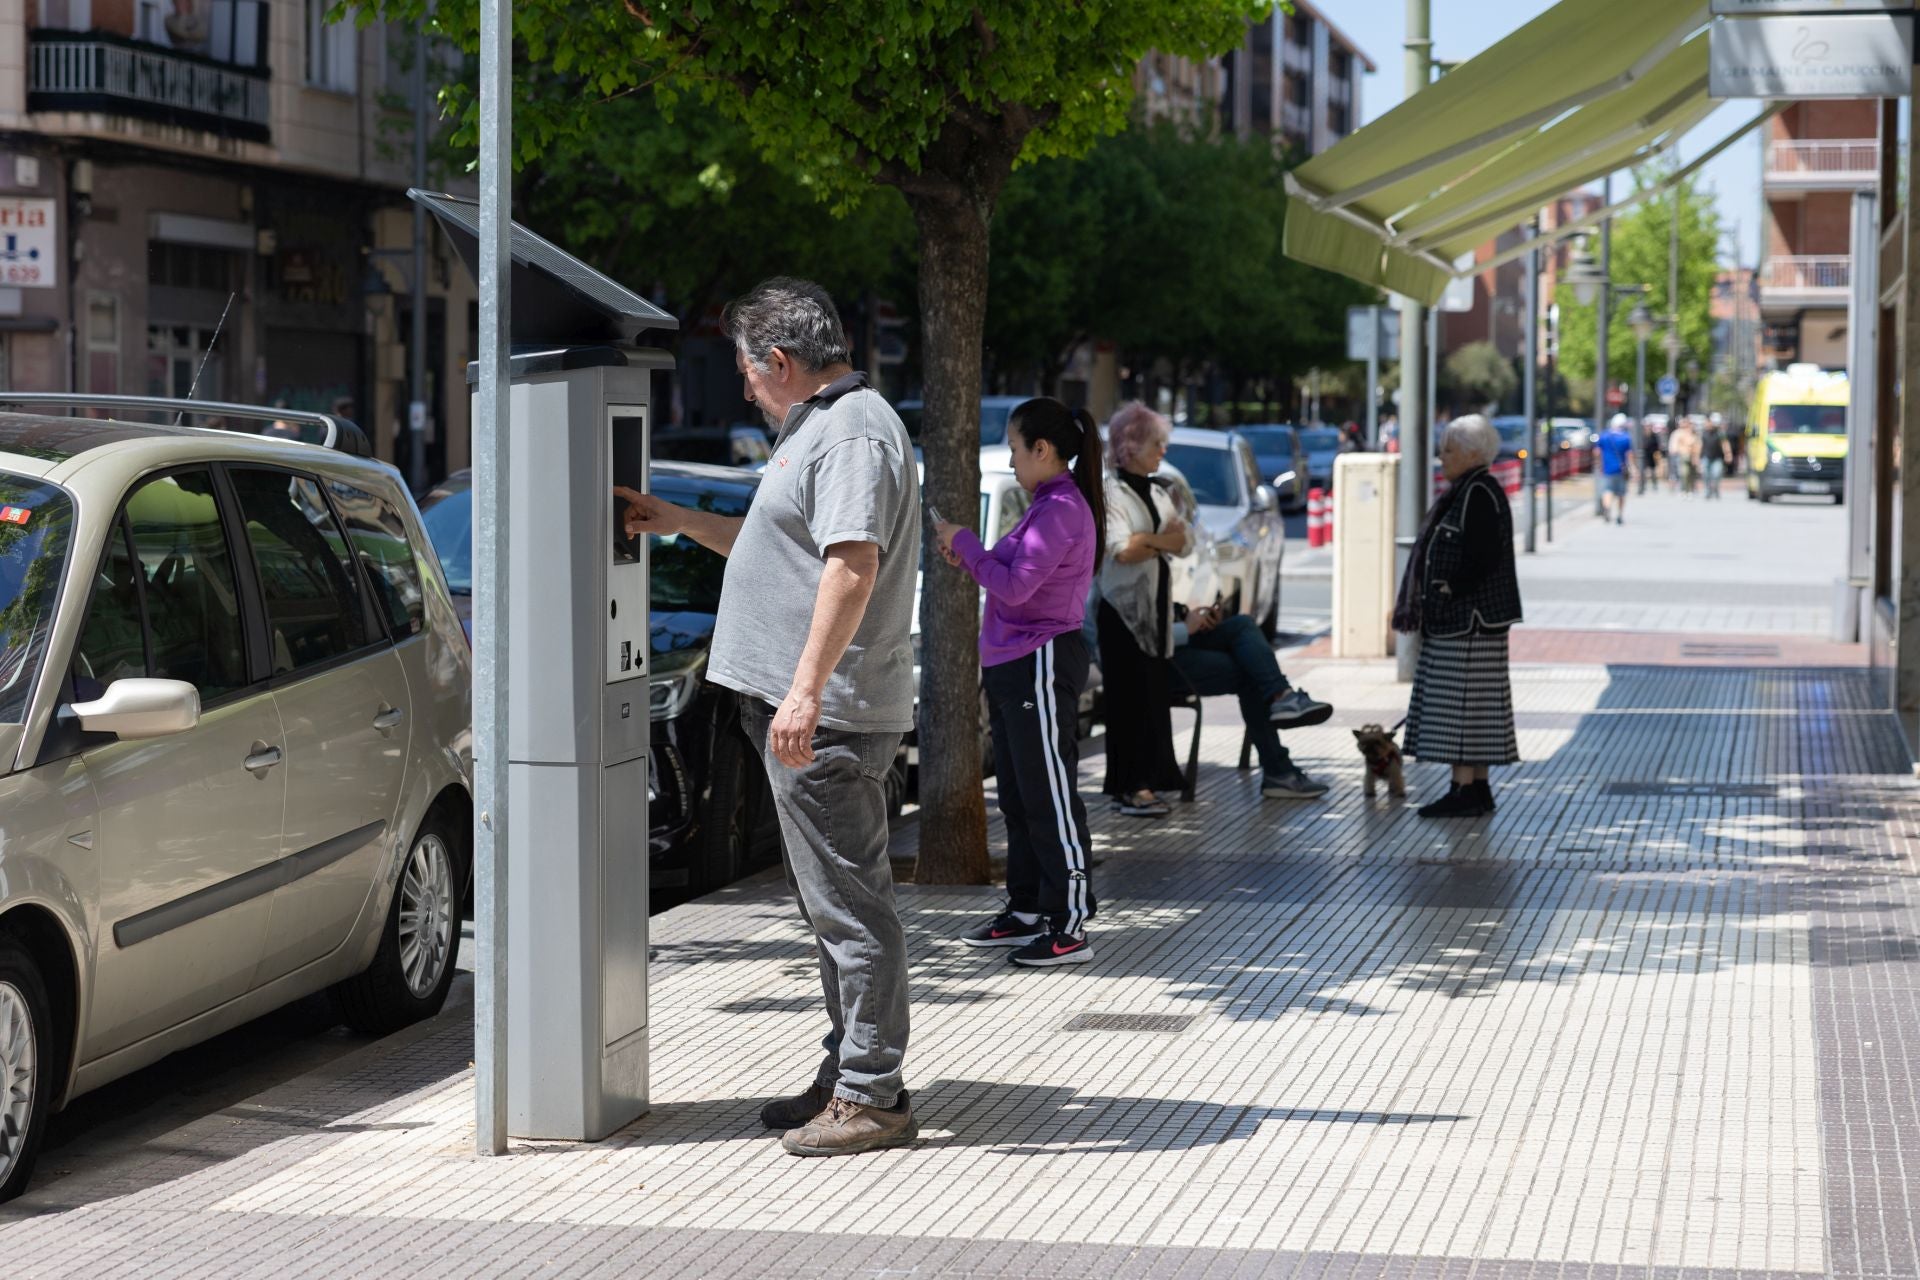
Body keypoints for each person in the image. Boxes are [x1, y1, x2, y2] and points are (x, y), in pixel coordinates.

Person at [619, 277, 918, 1157]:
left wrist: (804, 690)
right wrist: (677, 520)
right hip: (803, 712)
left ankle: (873, 1092)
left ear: (781, 362)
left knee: (853, 908)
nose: (745, 387)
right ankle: (849, 1071)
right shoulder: (817, 427)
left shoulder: (853, 433)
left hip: (827, 721)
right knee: (832, 906)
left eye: (749, 371)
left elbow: (851, 566)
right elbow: (774, 541)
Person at [934, 398, 1104, 967]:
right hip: (1015, 666)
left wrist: (963, 542)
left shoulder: (1060, 509)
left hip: (1041, 661)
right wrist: (973, 555)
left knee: (1049, 796)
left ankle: (1071, 923)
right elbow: (1009, 574)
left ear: (1043, 450)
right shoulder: (1044, 505)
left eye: (1013, 448)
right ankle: (1028, 908)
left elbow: (1013, 589)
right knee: (1018, 795)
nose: (1010, 461)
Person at [1392, 415, 1522, 818]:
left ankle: (1463, 789)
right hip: (1472, 621)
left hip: (1469, 622)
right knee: (1476, 706)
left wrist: (1450, 589)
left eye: (1448, 449)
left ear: (1471, 453)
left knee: (1464, 708)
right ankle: (1477, 787)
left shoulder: (1477, 492)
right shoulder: (1473, 489)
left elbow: (1482, 557)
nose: (1441, 456)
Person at [1096, 401, 1192, 818]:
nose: (1163, 451)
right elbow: (1122, 551)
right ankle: (1128, 787)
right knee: (1126, 700)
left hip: (1154, 614)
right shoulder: (1109, 491)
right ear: (1131, 445)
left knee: (1152, 698)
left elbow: (1184, 541)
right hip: (1121, 613)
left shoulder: (1157, 490)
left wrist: (1148, 540)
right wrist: (1159, 540)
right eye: (1157, 443)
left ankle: (1150, 781)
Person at [1171, 602, 1332, 798]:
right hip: (1157, 658)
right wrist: (1184, 628)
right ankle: (1279, 769)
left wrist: (1191, 618)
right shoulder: (1130, 573)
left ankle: (1283, 696)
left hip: (1176, 640)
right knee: (1251, 670)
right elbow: (1140, 636)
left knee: (1242, 624)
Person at [1593, 413, 1637, 526]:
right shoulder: (1626, 437)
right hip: (1621, 469)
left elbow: (1596, 452)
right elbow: (1630, 454)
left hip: (1607, 468)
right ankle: (1619, 515)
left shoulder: (1604, 436)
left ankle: (1607, 508)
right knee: (1621, 493)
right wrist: (1633, 468)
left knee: (1607, 490)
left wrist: (1598, 464)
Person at [1700, 415, 1731, 500]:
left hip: (1717, 457)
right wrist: (1696, 457)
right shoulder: (1703, 433)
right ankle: (1708, 491)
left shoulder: (1719, 433)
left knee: (1716, 474)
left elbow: (1725, 443)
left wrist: (1728, 454)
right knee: (1706, 474)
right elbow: (1699, 445)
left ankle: (1716, 489)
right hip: (1705, 457)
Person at [1669, 416, 1701, 497]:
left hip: (1693, 456)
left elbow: (1698, 445)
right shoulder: (1678, 433)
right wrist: (1674, 451)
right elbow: (1674, 445)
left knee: (1692, 474)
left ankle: (1691, 489)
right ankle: (1684, 489)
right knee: (1684, 473)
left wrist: (1697, 456)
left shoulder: (1694, 433)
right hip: (1683, 456)